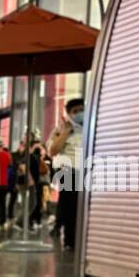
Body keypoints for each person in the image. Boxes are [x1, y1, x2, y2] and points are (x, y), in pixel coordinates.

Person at [48, 97, 84, 251]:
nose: (79, 113)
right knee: (70, 208)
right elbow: (53, 150)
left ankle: (82, 241)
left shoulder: (91, 126)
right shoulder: (59, 130)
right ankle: (70, 242)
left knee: (84, 208)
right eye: (75, 111)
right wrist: (65, 133)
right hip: (68, 172)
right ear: (68, 113)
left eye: (81, 110)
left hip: (87, 171)